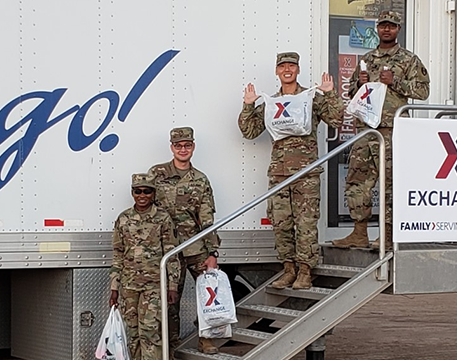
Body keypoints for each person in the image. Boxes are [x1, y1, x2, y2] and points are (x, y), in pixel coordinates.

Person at [238, 52, 344, 290]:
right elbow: (250, 131)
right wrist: (248, 105)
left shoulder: (310, 98)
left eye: (292, 66)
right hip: (279, 174)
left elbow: (337, 119)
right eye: (283, 66)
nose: (287, 70)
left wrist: (329, 93)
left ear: (298, 70)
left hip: (306, 174)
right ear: (277, 71)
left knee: (305, 223)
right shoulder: (271, 103)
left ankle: (305, 272)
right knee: (281, 224)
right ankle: (288, 269)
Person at [332, 10, 430, 250]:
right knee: (357, 181)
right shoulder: (367, 58)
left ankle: (387, 235)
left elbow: (423, 92)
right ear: (377, 28)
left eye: (392, 26)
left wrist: (394, 81)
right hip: (366, 129)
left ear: (398, 30)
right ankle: (359, 232)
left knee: (390, 183)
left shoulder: (408, 59)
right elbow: (351, 93)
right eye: (383, 25)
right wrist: (359, 83)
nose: (387, 29)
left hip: (391, 130)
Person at [148, 127, 221, 355]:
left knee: (208, 295)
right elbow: (146, 209)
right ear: (172, 147)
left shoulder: (200, 179)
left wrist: (212, 253)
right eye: (178, 146)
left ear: (193, 147)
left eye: (187, 145)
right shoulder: (157, 174)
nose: (183, 149)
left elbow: (207, 217)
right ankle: (172, 345)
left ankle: (205, 338)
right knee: (170, 299)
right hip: (167, 249)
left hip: (195, 246)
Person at [109, 173, 180, 360]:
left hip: (154, 286)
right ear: (132, 193)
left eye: (147, 191)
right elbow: (118, 254)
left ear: (153, 193)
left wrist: (172, 286)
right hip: (129, 286)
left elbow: (172, 254)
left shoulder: (163, 218)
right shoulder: (123, 219)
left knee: (149, 332)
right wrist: (114, 288)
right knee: (133, 335)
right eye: (137, 191)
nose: (142, 195)